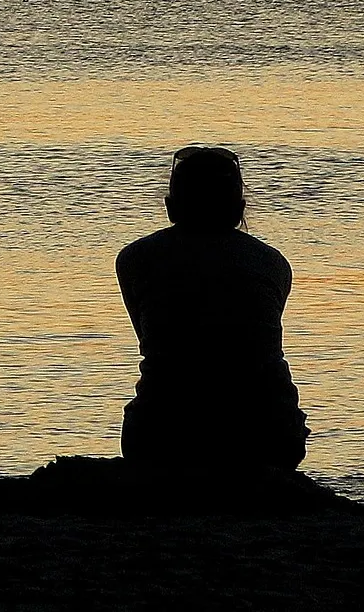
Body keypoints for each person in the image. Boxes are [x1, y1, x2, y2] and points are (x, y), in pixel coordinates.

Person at [116, 146, 309, 470]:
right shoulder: (274, 263)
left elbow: (154, 340)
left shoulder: (134, 259)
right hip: (271, 436)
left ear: (171, 207)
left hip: (161, 436)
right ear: (239, 209)